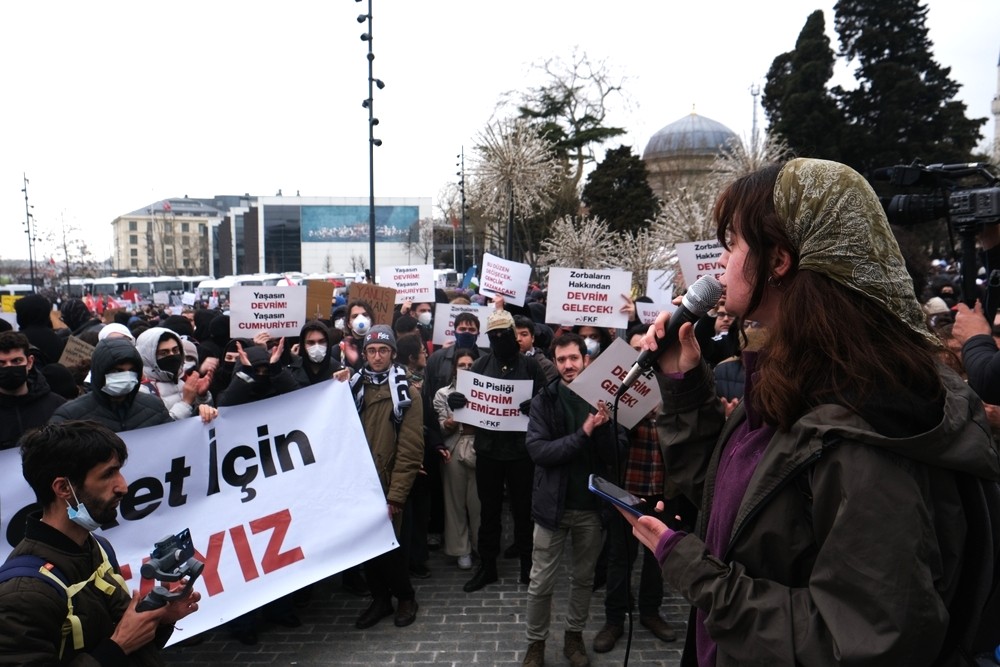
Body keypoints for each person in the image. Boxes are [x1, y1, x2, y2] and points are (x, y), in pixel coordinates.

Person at [627, 158, 1000, 665]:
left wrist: (697, 574)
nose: (718, 266)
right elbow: (737, 508)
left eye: (732, 245)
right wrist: (683, 384)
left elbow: (860, 642)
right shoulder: (789, 381)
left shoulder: (866, 429)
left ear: (779, 261)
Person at [0, 420, 200, 664]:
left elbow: (125, 643)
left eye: (119, 471)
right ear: (63, 488)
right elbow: (118, 645)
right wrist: (117, 647)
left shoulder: (98, 546)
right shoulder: (22, 594)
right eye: (108, 474)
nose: (123, 487)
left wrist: (159, 620)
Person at [521, 333, 626, 667]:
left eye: (574, 358)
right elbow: (539, 451)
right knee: (540, 582)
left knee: (583, 580)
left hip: (591, 509)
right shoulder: (545, 400)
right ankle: (535, 643)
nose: (568, 365)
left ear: (586, 360)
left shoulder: (604, 400)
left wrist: (605, 428)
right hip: (552, 507)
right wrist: (583, 434)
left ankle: (573, 637)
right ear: (555, 363)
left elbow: (616, 455)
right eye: (562, 359)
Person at [592, 325, 677, 655]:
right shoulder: (619, 392)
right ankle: (614, 620)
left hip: (663, 490)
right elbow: (610, 446)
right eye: (638, 349)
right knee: (619, 558)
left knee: (659, 557)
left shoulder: (671, 387)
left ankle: (651, 613)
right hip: (626, 491)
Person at [450, 309, 546, 593]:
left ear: (515, 334)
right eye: (495, 336)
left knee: (523, 510)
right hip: (489, 452)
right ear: (488, 339)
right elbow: (468, 403)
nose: (500, 339)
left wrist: (537, 403)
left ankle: (528, 565)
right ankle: (488, 566)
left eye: (505, 334)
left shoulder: (531, 367)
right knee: (488, 511)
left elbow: (548, 398)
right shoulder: (479, 367)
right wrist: (458, 400)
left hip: (521, 453)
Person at [348, 325, 423, 629]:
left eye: (383, 350)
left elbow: (411, 448)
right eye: (371, 350)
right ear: (364, 353)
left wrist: (397, 494)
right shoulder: (351, 388)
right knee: (367, 547)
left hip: (388, 481)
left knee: (392, 547)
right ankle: (380, 599)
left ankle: (405, 596)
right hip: (358, 482)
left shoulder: (407, 393)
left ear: (392, 353)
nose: (377, 356)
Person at [49, 338, 173, 432]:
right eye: (117, 371)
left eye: (132, 371)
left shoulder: (155, 406)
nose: (126, 376)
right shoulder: (69, 417)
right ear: (99, 372)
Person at [433, 348, 480, 570]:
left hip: (479, 450)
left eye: (471, 365)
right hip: (454, 449)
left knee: (478, 503)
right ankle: (461, 549)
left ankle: (481, 545)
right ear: (455, 369)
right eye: (462, 365)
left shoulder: (485, 391)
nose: (467, 369)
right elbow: (440, 428)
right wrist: (450, 420)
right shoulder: (443, 394)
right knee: (454, 504)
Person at [0, 331, 66, 450]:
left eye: (16, 361)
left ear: (29, 362)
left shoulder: (57, 406)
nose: (9, 367)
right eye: (1, 363)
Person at [135, 327, 215, 421]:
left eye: (175, 350)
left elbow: (202, 418)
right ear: (149, 358)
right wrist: (186, 402)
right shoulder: (143, 391)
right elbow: (159, 427)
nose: (172, 355)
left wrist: (202, 397)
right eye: (164, 353)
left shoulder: (185, 380)